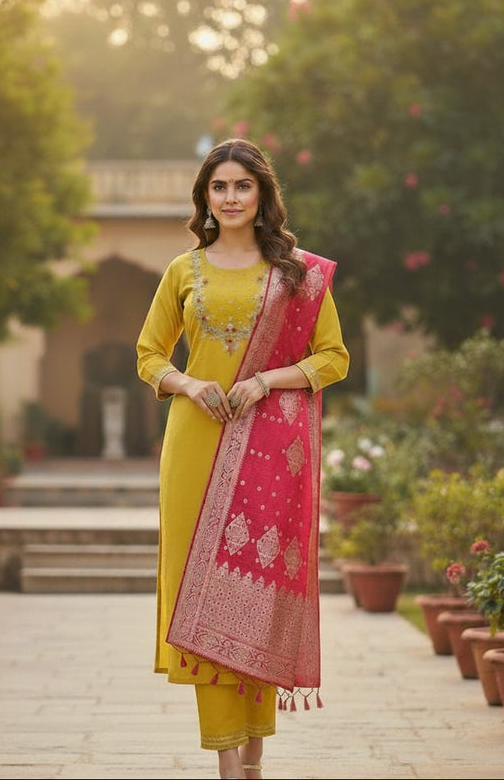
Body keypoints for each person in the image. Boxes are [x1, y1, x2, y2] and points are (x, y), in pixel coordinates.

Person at [136, 138, 350, 780]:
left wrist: (267, 381)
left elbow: (333, 356)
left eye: (242, 186)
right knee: (203, 598)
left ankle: (253, 755)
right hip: (194, 446)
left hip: (266, 453)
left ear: (262, 196)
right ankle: (232, 765)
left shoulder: (296, 275)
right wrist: (189, 384)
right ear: (205, 197)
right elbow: (149, 354)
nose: (230, 197)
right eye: (219, 187)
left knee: (254, 597)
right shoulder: (183, 271)